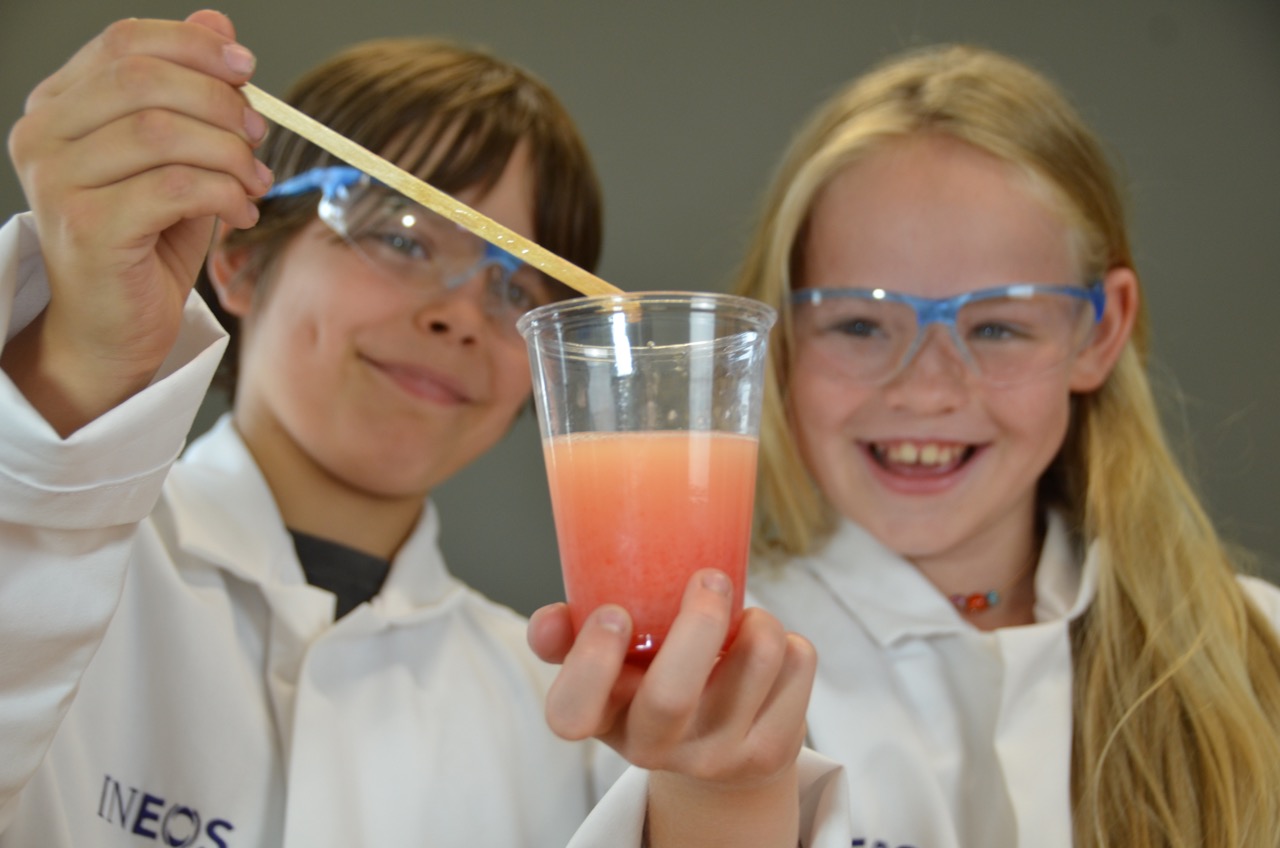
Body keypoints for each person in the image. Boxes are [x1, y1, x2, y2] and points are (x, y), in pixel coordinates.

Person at [0, 10, 839, 847]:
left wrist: (725, 804)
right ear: (241, 262)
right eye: (398, 237)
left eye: (517, 288)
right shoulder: (54, 553)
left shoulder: (580, 711)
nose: (460, 316)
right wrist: (75, 361)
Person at [723, 43, 1280, 847]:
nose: (924, 389)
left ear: (1102, 331)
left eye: (996, 326)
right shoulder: (693, 678)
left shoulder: (1256, 654)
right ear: (778, 341)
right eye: (858, 324)